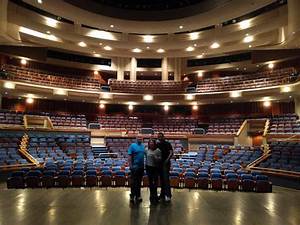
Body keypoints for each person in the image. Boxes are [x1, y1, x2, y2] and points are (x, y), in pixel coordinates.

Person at [128, 135, 145, 203]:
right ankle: (132, 196)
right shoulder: (132, 145)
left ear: (142, 139)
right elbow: (129, 156)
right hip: (134, 167)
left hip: (141, 167)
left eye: (141, 138)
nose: (140, 139)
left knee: (139, 182)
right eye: (138, 138)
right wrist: (130, 166)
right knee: (133, 182)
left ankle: (138, 195)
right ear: (136, 138)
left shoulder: (143, 146)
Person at [157, 132, 173, 202]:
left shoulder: (168, 143)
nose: (160, 138)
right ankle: (162, 195)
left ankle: (168, 195)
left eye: (161, 136)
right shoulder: (157, 145)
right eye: (159, 137)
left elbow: (171, 152)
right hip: (159, 164)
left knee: (166, 180)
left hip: (166, 164)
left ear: (163, 137)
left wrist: (167, 159)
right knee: (162, 180)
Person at [145, 139, 161, 204]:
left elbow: (160, 159)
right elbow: (146, 157)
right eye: (150, 143)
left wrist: (155, 157)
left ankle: (155, 195)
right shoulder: (146, 150)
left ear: (154, 144)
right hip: (149, 167)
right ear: (149, 144)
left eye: (152, 143)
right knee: (150, 182)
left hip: (155, 168)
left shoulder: (158, 150)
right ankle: (151, 196)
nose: (151, 144)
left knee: (155, 182)